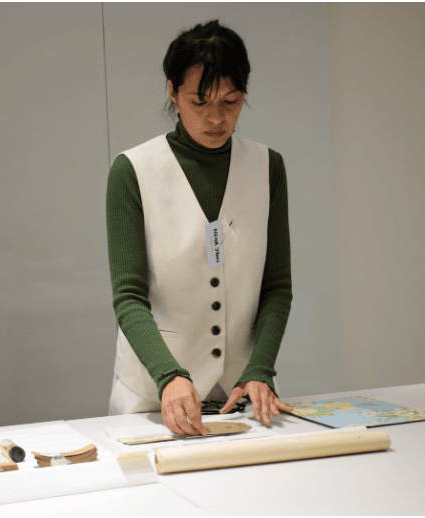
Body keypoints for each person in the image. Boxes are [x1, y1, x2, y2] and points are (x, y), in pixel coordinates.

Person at [106, 19, 293, 436]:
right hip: (155, 397)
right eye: (199, 102)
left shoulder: (267, 168)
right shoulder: (133, 171)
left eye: (231, 102)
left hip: (241, 393)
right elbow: (129, 296)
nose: (216, 119)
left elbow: (277, 286)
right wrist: (169, 375)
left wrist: (260, 367)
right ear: (173, 92)